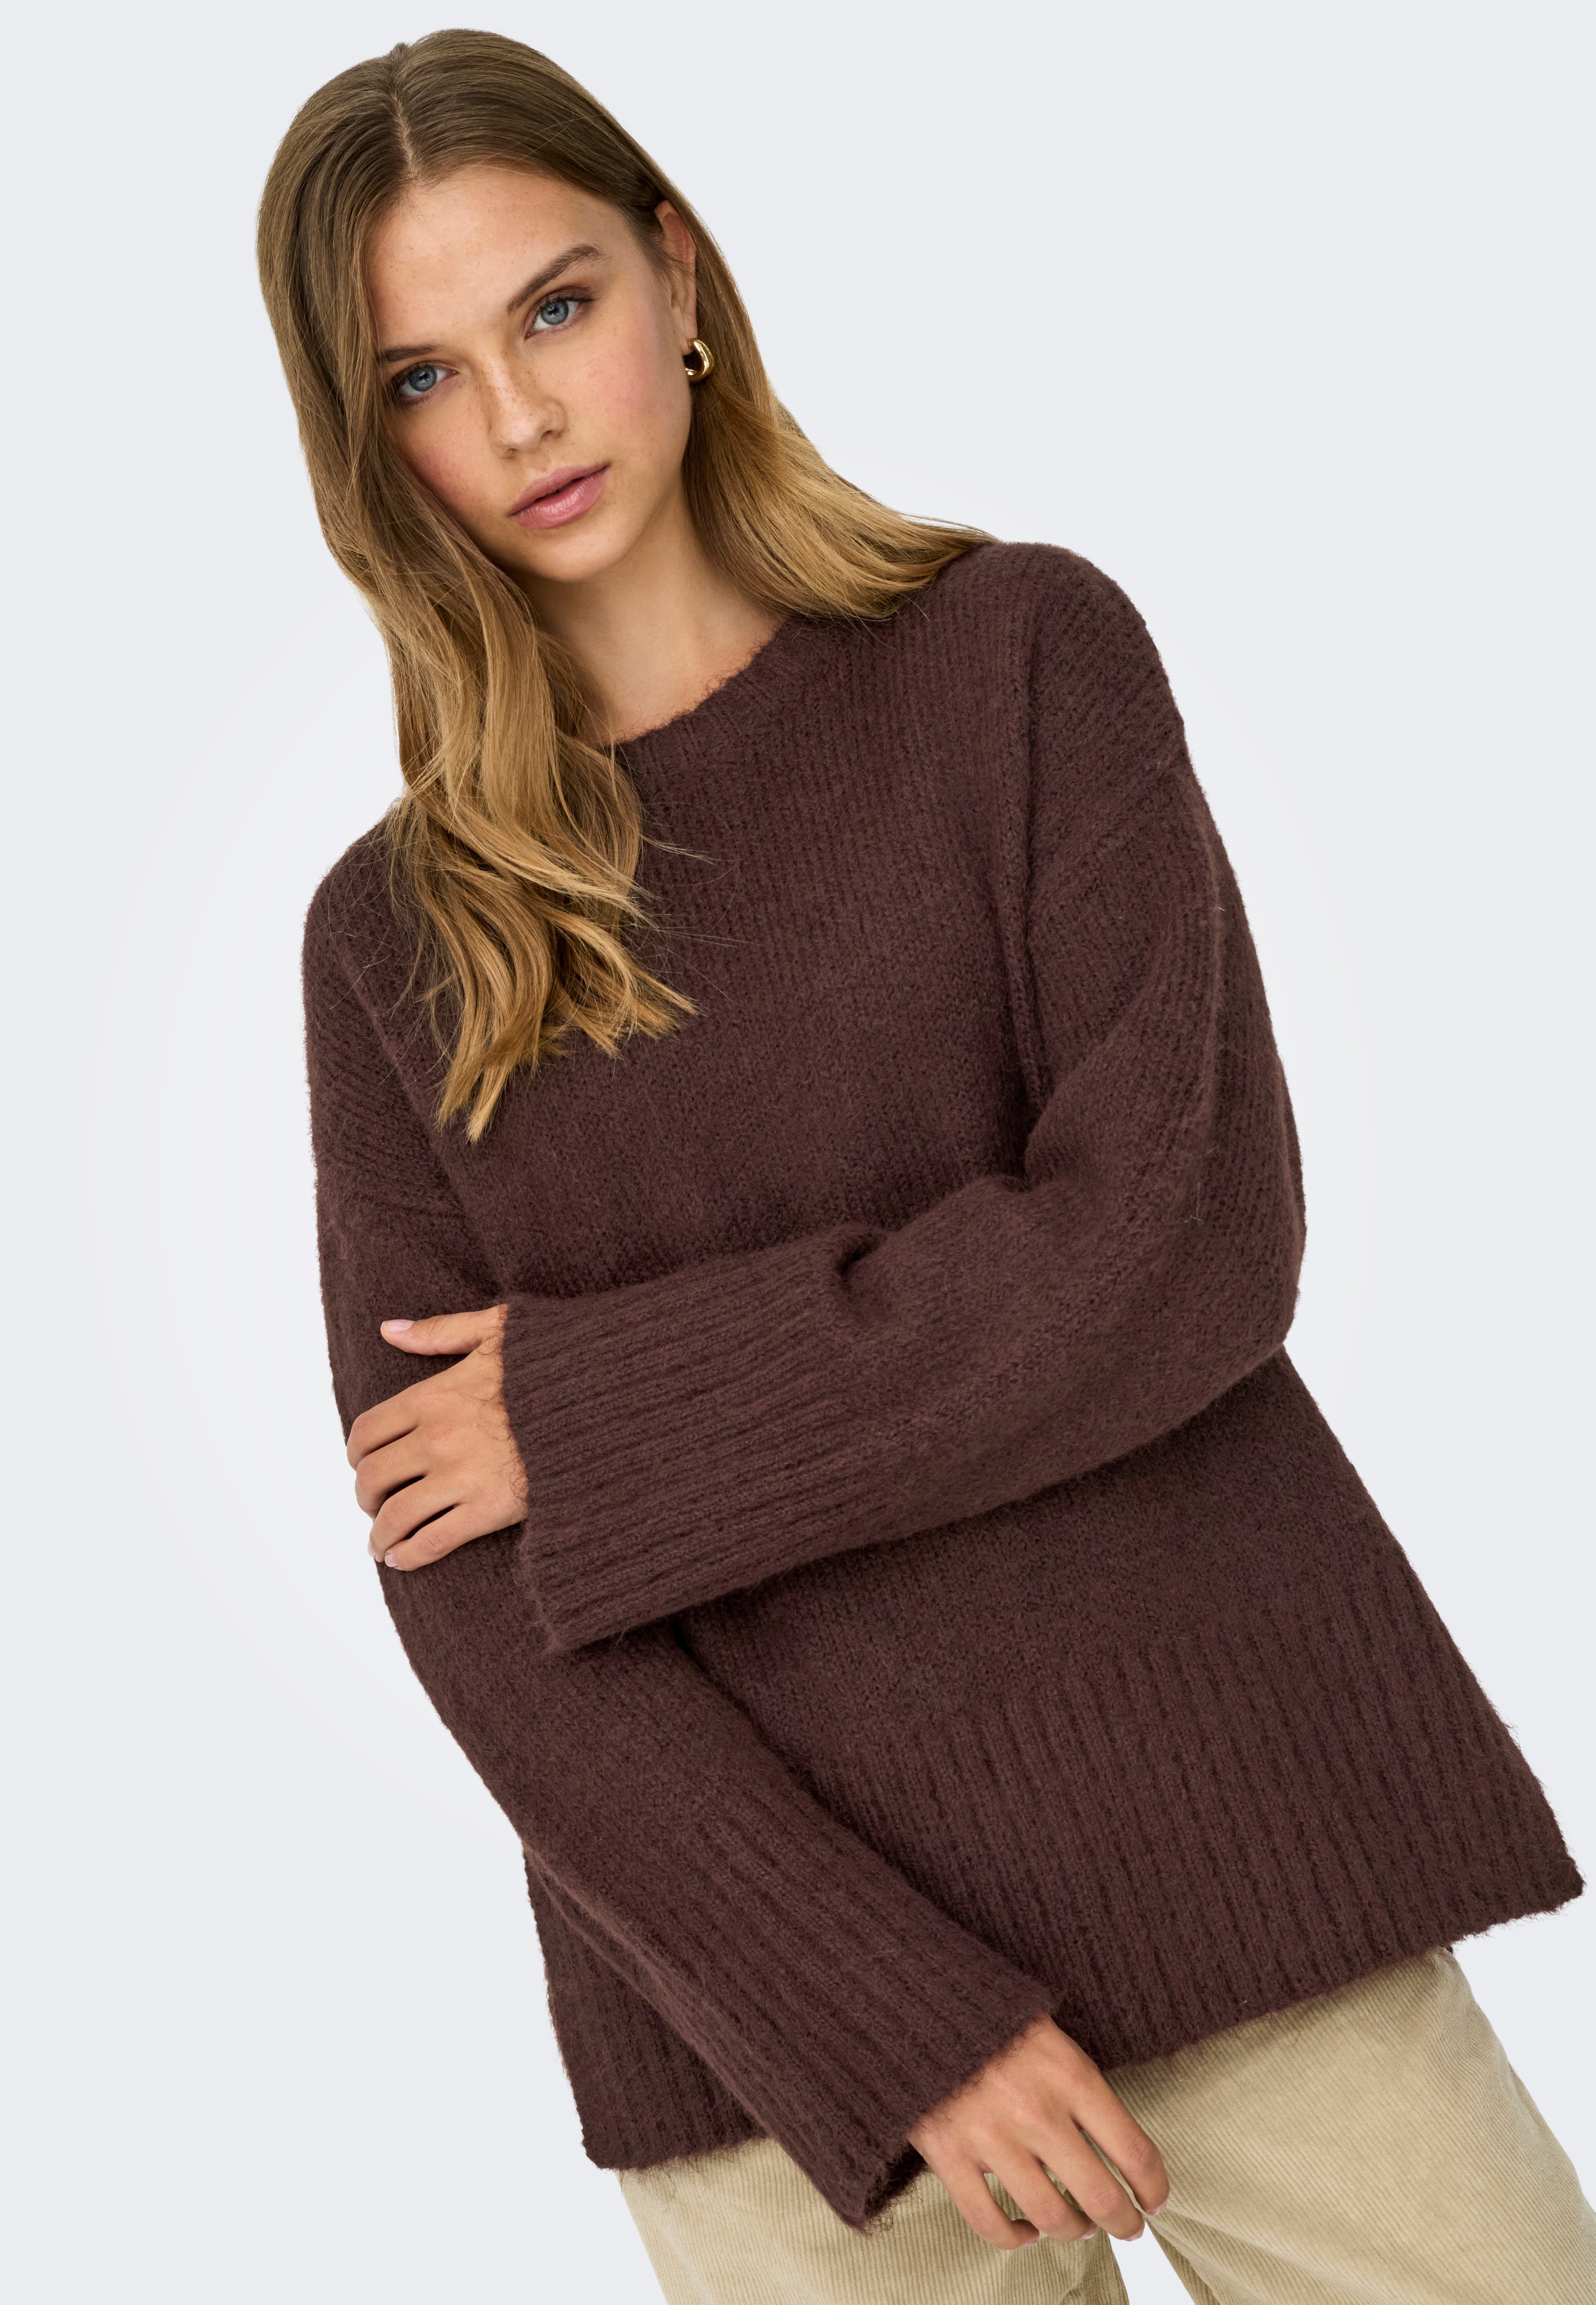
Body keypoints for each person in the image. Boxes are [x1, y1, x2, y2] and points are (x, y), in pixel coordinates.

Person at [257, 28, 1594, 2303]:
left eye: (556, 306)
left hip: (1237, 1856)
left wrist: (601, 1417)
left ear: (679, 275)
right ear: (366, 441)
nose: (522, 416)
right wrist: (895, 2021)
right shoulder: (392, 939)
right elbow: (466, 1591)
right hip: (788, 2064)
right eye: (422, 376)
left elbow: (1177, 1245)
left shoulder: (1019, 659)